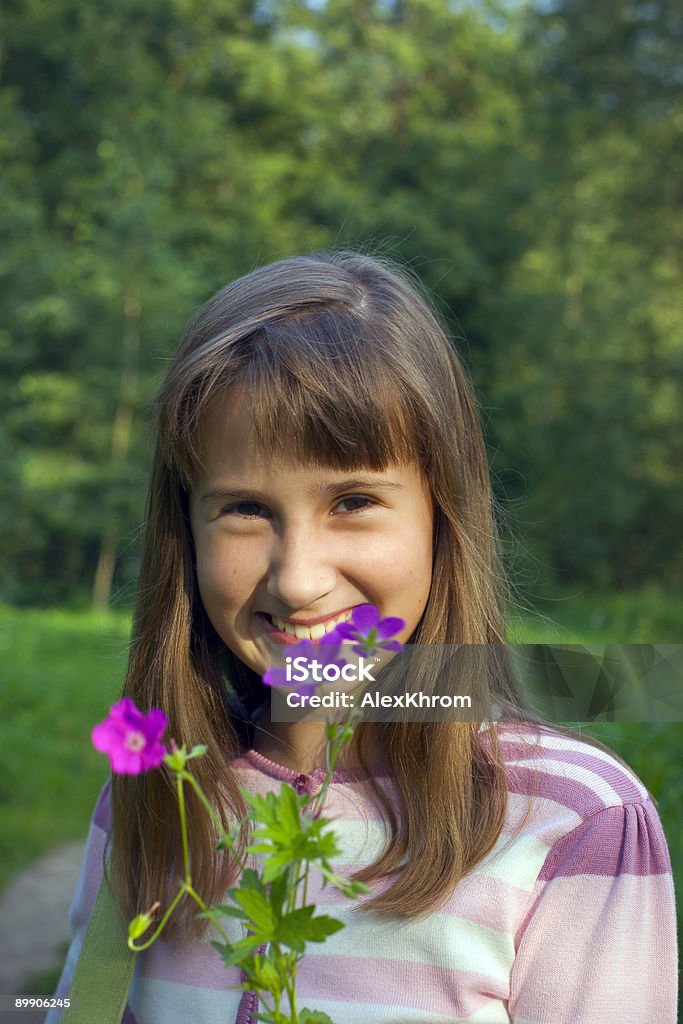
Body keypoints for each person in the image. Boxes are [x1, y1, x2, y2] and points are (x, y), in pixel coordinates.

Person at [48, 251, 677, 1024]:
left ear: (441, 514)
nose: (298, 579)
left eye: (352, 501)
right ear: (185, 529)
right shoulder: (153, 800)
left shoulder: (573, 821)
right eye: (244, 508)